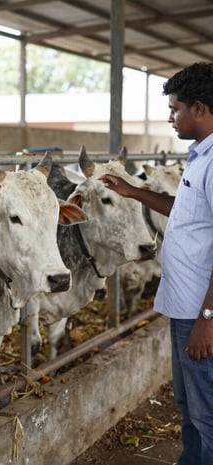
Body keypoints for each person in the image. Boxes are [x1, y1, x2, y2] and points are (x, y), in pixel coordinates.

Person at [99, 62, 213, 465]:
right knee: (188, 405)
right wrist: (133, 192)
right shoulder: (199, 158)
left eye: (175, 108)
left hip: (200, 313)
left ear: (199, 108)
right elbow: (184, 210)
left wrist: (208, 318)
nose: (170, 117)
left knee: (207, 413)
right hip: (185, 308)